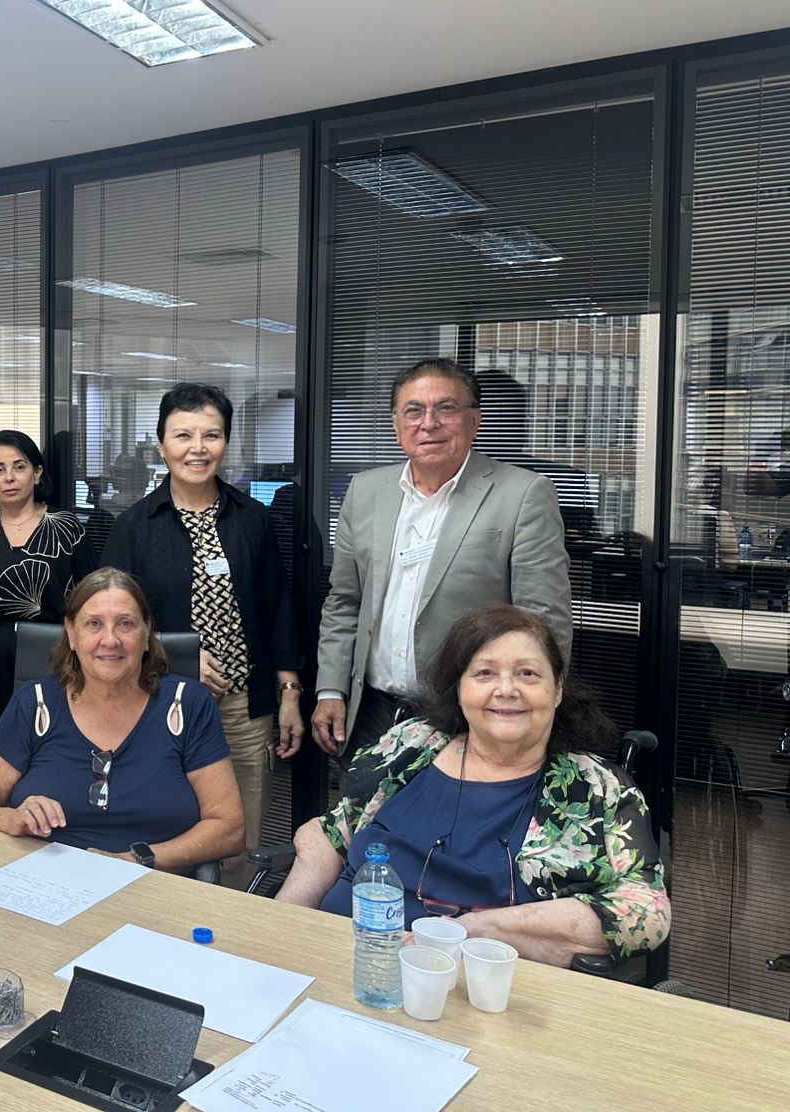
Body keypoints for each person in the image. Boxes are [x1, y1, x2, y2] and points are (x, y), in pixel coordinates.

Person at [278, 605, 669, 966]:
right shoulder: (411, 743)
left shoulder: (595, 787)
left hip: (480, 987)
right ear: (460, 688)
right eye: (484, 673)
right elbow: (332, 832)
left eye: (527, 674)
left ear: (558, 689)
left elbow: (645, 911)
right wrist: (278, 930)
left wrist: (474, 931)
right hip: (340, 957)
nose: (506, 689)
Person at [313, 358, 574, 764]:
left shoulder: (523, 495)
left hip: (470, 715)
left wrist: (525, 713)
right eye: (413, 411)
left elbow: (542, 620)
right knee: (362, 806)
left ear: (475, 421)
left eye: (446, 409)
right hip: (371, 713)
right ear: (397, 424)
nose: (428, 423)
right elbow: (345, 601)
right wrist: (331, 690)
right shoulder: (365, 491)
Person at [100, 383, 303, 866]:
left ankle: (230, 910)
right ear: (161, 445)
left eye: (211, 435)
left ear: (226, 442)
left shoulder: (253, 520)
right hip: (156, 703)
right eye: (183, 435)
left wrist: (290, 695)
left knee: (239, 836)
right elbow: (108, 622)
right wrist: (177, 656)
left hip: (242, 707)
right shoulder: (134, 527)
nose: (198, 448)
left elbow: (278, 609)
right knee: (164, 828)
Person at [0, 568, 244, 877]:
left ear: (147, 634)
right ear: (71, 633)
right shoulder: (35, 704)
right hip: (45, 883)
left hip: (155, 885)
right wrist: (7, 817)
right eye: (94, 624)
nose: (110, 640)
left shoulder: (188, 705)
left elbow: (229, 828)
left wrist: (138, 859)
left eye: (126, 624)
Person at [0, 430, 99, 722]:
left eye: (19, 467)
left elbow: (93, 596)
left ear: (37, 473)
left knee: (50, 732)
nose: (9, 477)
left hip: (52, 651)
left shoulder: (67, 527)